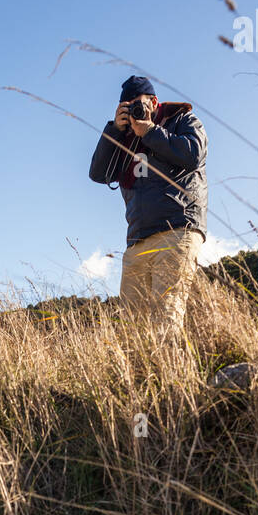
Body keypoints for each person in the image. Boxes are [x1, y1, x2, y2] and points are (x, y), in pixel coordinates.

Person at [89, 75, 207, 344]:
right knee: (133, 332)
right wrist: (114, 131)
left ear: (154, 102)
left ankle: (177, 384)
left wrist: (150, 131)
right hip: (138, 239)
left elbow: (193, 154)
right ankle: (145, 384)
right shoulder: (124, 139)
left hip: (177, 228)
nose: (135, 113)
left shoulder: (182, 120)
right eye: (128, 108)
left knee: (166, 320)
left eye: (139, 105)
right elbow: (98, 173)